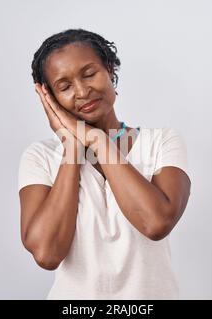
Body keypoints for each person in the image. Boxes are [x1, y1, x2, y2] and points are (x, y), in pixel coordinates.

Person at [18, 28, 191, 299]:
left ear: (109, 69)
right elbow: (47, 253)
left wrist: (98, 141)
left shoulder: (161, 142)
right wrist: (72, 147)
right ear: (49, 97)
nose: (83, 90)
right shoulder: (39, 157)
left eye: (89, 74)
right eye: (64, 86)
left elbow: (155, 222)